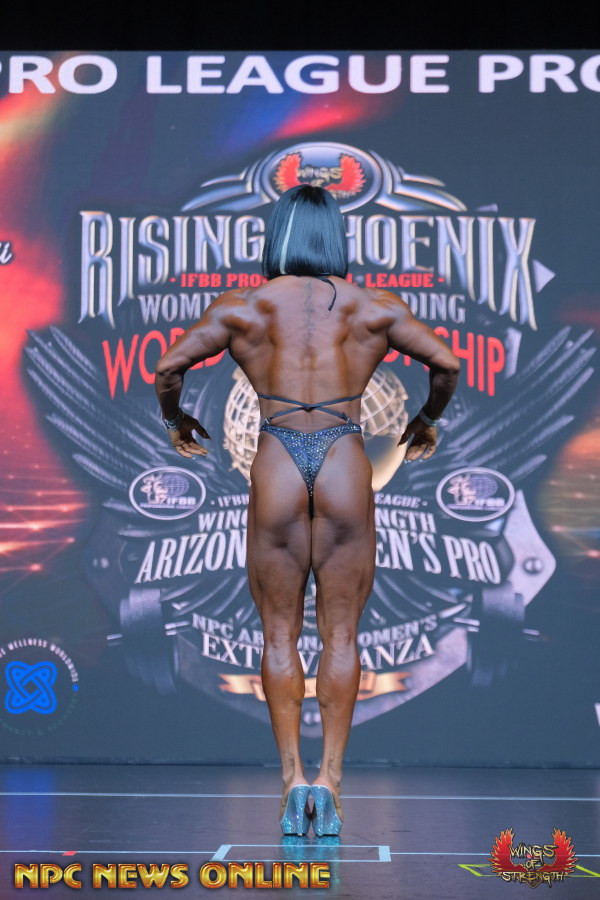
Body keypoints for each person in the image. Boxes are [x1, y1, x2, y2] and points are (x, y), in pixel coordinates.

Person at [154, 184, 461, 836]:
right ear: (335, 239)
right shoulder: (373, 305)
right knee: (342, 634)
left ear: (278, 237)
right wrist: (426, 419)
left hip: (278, 457)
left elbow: (169, 367)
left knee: (278, 635)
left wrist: (176, 419)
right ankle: (333, 784)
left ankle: (293, 781)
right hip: (345, 455)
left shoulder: (245, 305)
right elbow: (446, 363)